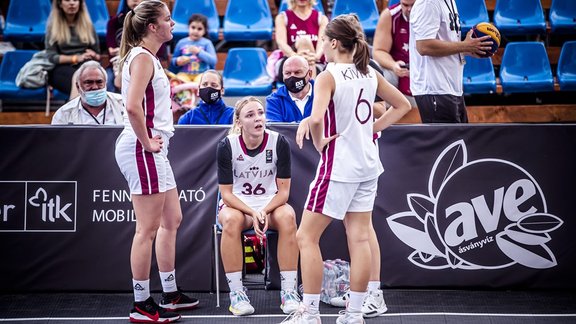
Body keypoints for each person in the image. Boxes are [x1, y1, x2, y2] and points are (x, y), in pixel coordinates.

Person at [281, 14, 411, 324]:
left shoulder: (329, 75)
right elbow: (404, 105)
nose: (320, 45)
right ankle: (354, 314)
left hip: (339, 168)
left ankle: (310, 313)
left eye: (323, 40)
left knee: (306, 237)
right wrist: (372, 130)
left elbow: (315, 118)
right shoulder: (369, 73)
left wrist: (317, 140)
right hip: (367, 166)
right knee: (360, 239)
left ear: (335, 43)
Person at [113, 1, 198, 322]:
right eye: (167, 19)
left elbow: (144, 104)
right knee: (146, 229)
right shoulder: (144, 58)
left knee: (172, 219)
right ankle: (140, 303)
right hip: (141, 148)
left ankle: (170, 292)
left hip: (150, 147)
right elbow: (133, 107)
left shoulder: (148, 58)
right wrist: (147, 141)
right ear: (152, 27)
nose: (172, 23)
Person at [216, 96, 300, 316]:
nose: (258, 118)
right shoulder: (227, 146)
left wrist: (263, 211)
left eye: (261, 113)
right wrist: (252, 212)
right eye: (250, 115)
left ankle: (289, 291)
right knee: (232, 221)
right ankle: (237, 294)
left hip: (269, 204)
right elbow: (226, 194)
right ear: (239, 122)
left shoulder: (278, 142)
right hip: (238, 205)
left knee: (288, 217)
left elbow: (284, 192)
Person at [409, 0, 493, 123]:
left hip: (450, 88)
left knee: (459, 139)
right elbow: (424, 46)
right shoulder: (428, 3)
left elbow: (445, 40)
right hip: (435, 89)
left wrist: (469, 50)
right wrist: (465, 46)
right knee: (446, 141)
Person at [106, 0, 170, 92]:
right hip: (119, 62)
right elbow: (111, 51)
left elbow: (160, 54)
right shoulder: (114, 22)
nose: (135, 0)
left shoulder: (155, 23)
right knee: (110, 81)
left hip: (149, 63)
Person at [45, 0, 101, 98]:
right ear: (60, 4)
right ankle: (75, 110)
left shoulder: (88, 25)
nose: (72, 3)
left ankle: (73, 110)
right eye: (67, 0)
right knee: (78, 80)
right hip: (61, 67)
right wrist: (75, 58)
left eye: (75, 0)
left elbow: (98, 54)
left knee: (88, 76)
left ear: (80, 3)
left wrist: (94, 55)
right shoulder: (52, 27)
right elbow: (51, 56)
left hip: (85, 64)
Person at [372, 0, 417, 108]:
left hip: (424, 71)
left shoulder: (431, 16)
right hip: (400, 69)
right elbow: (378, 51)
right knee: (380, 73)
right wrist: (393, 65)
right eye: (405, 5)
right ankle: (383, 113)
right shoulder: (390, 15)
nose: (409, 9)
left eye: (413, 5)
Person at [51, 61, 124, 125]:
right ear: (78, 86)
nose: (95, 87)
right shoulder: (64, 114)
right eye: (89, 82)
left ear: (106, 83)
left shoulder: (123, 104)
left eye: (99, 82)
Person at [274, 0, 328, 81]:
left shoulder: (322, 18)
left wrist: (314, 57)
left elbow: (322, 45)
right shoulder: (282, 17)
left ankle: (308, 86)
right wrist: (296, 56)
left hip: (315, 64)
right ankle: (311, 89)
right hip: (288, 66)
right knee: (304, 41)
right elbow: (281, 43)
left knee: (305, 41)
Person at [170, 13, 217, 83]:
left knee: (201, 83)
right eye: (193, 27)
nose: (195, 31)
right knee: (178, 82)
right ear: (188, 27)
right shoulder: (181, 43)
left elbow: (213, 61)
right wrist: (177, 61)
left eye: (199, 29)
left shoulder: (207, 43)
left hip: (202, 74)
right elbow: (173, 60)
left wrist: (199, 52)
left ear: (204, 31)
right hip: (184, 74)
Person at [265, 55, 314, 123]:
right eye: (287, 73)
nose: (292, 76)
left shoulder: (324, 94)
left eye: (297, 72)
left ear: (309, 74)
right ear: (283, 76)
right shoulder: (274, 100)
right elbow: (276, 131)